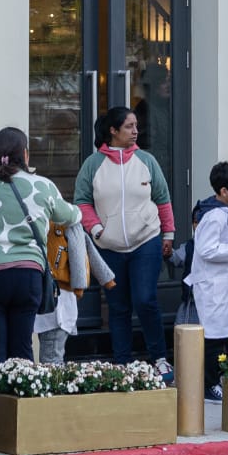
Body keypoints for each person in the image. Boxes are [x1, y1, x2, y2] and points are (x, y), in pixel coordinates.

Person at [0, 127, 78, 374]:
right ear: (25, 154)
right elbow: (70, 215)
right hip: (27, 274)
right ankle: (21, 406)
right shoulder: (42, 186)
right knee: (21, 350)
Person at [74, 106, 176, 369]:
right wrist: (97, 230)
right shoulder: (93, 164)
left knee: (145, 300)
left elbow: (162, 199)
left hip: (146, 241)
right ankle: (123, 364)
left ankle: (160, 358)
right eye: (129, 126)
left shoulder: (146, 160)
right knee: (118, 307)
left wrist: (168, 233)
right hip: (108, 247)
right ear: (113, 130)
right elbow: (82, 201)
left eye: (136, 126)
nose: (135, 131)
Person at [188, 161, 228, 402]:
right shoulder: (214, 215)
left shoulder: (225, 211)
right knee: (214, 337)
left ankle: (223, 378)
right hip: (212, 287)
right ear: (224, 191)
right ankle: (209, 383)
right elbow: (206, 249)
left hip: (224, 285)